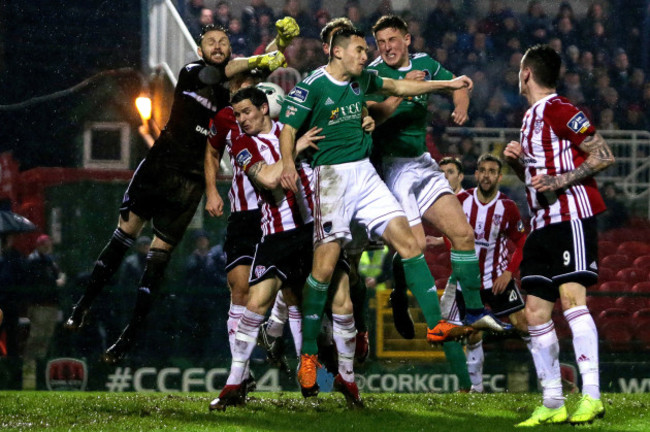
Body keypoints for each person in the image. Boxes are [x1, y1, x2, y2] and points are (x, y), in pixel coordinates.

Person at [64, 22, 296, 363]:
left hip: (188, 184)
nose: (217, 46)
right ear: (201, 52)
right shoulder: (192, 73)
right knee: (123, 236)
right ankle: (82, 305)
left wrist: (280, 44)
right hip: (159, 167)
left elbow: (256, 70)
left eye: (224, 42)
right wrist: (266, 55)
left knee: (158, 259)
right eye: (211, 43)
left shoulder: (234, 105)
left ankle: (129, 336)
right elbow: (240, 67)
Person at [278, 27, 475, 399]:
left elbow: (400, 89)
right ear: (336, 53)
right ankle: (308, 356)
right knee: (324, 268)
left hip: (365, 175)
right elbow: (287, 129)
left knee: (409, 244)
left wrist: (445, 87)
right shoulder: (312, 86)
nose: (366, 55)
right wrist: (288, 162)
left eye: (366, 50)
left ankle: (435, 325)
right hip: (331, 179)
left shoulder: (363, 79)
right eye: (359, 49)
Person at [365, 15, 511, 342]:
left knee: (463, 234)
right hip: (390, 168)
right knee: (414, 247)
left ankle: (474, 310)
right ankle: (421, 313)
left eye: (392, 40)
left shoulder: (426, 64)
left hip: (422, 162)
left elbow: (458, 85)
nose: (387, 47)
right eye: (381, 42)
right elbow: (376, 115)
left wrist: (461, 106)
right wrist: (406, 89)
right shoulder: (373, 73)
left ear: (407, 39)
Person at [504, 44, 615, 426]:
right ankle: (553, 400)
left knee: (571, 299)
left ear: (526, 74)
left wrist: (557, 179)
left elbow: (602, 154)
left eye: (520, 70)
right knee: (535, 312)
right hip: (541, 222)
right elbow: (537, 182)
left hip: (571, 217)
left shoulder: (559, 108)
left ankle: (592, 397)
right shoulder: (530, 118)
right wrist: (517, 167)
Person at [208, 86, 329, 410]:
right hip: (275, 235)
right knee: (255, 303)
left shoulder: (291, 129)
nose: (242, 120)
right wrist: (295, 150)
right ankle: (235, 382)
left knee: (314, 307)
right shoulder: (244, 146)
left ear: (265, 107)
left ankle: (324, 380)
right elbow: (269, 179)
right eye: (237, 115)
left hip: (310, 232)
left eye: (247, 112)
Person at [440, 154, 530, 393]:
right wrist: (459, 266)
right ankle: (475, 390)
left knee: (523, 325)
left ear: (499, 177)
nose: (487, 175)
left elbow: (521, 241)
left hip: (497, 279)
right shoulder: (460, 201)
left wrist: (509, 273)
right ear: (476, 174)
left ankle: (548, 379)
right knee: (473, 333)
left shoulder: (507, 207)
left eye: (492, 171)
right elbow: (449, 234)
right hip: (468, 283)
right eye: (483, 170)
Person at [23, 234, 66, 389]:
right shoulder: (34, 260)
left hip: (51, 304)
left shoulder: (50, 260)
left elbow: (57, 274)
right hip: (40, 304)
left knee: (46, 337)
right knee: (37, 336)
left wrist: (59, 278)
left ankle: (39, 368)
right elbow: (40, 279)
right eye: (45, 244)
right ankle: (29, 368)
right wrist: (56, 282)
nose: (48, 247)